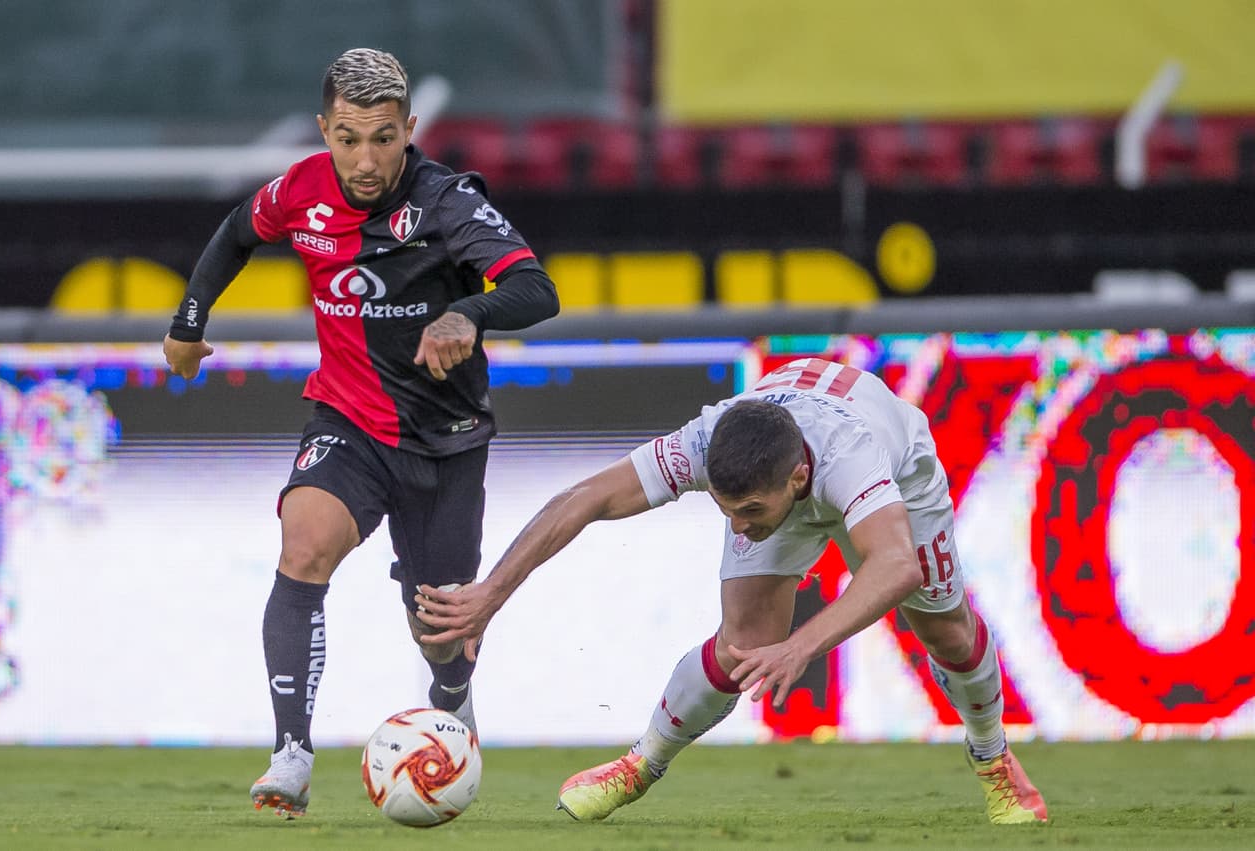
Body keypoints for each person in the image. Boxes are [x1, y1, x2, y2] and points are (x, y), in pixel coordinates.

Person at [162, 47, 559, 818]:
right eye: (348, 139)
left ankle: (451, 695)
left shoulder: (447, 202)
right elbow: (237, 232)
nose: (365, 160)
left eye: (383, 138)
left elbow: (535, 288)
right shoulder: (300, 189)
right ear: (325, 131)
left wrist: (467, 312)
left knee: (440, 628)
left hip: (445, 440)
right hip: (347, 420)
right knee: (304, 543)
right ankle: (291, 754)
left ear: (409, 129)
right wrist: (188, 322)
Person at [415, 356, 1048, 826]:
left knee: (946, 631)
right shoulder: (707, 439)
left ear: (798, 478)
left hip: (898, 475)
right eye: (725, 509)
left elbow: (896, 565)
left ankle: (992, 756)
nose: (737, 527)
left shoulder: (847, 457)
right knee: (743, 642)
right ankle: (640, 764)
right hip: (790, 451)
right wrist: (490, 593)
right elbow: (586, 498)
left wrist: (801, 646)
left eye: (747, 511)